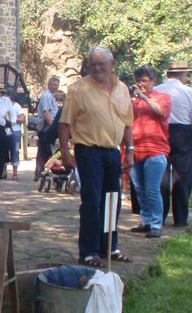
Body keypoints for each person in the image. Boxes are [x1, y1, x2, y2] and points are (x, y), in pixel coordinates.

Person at [58, 47, 135, 267]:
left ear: (113, 64)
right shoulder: (78, 89)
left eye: (101, 64)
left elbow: (127, 123)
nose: (97, 68)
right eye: (93, 64)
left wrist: (130, 150)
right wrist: (65, 153)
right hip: (89, 150)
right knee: (92, 201)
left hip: (113, 151)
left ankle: (110, 246)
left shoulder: (122, 89)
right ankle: (89, 251)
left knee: (113, 200)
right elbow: (64, 124)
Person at [155, 60, 192, 227]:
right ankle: (180, 218)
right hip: (183, 133)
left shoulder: (156, 90)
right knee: (183, 176)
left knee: (161, 174)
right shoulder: (189, 92)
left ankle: (158, 216)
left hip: (161, 132)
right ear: (182, 75)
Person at [128, 66, 172, 238]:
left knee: (152, 189)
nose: (141, 84)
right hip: (136, 149)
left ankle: (156, 224)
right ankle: (145, 221)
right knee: (139, 189)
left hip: (156, 150)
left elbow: (160, 111)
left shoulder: (163, 98)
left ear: (154, 81)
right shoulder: (134, 101)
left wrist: (143, 97)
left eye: (144, 81)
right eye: (138, 81)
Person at [34, 76, 61, 180]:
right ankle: (40, 173)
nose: (56, 87)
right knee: (45, 151)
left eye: (57, 85)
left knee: (45, 151)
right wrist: (53, 127)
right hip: (46, 128)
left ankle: (41, 172)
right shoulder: (47, 96)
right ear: (49, 85)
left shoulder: (52, 96)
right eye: (54, 85)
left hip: (49, 127)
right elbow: (46, 113)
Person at [7, 92, 25, 180]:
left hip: (15, 130)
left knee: (15, 151)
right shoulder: (2, 105)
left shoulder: (17, 106)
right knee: (3, 150)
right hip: (5, 130)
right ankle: (3, 172)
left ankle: (15, 173)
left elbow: (22, 119)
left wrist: (12, 119)